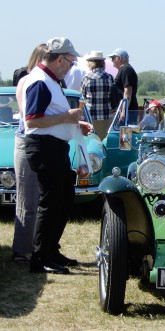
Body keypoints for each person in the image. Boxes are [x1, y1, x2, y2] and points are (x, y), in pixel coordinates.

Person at [23, 37, 92, 274]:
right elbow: (33, 120)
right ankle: (40, 257)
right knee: (50, 202)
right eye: (71, 62)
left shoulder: (50, 81)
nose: (72, 67)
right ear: (60, 59)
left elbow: (52, 116)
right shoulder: (40, 81)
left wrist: (75, 122)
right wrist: (67, 118)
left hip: (54, 146)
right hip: (44, 147)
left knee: (63, 199)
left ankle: (51, 250)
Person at [11, 43, 46, 263]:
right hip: (27, 141)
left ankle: (37, 245)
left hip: (41, 143)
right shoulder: (27, 81)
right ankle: (21, 250)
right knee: (27, 200)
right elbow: (28, 115)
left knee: (40, 198)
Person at [80, 51, 114, 139]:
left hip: (91, 115)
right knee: (104, 140)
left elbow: (82, 97)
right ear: (102, 63)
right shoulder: (109, 77)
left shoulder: (86, 78)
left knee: (92, 140)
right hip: (107, 115)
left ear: (92, 63)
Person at [107, 48, 139, 121]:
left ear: (119, 58)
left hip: (128, 110)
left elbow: (128, 90)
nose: (112, 60)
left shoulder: (126, 70)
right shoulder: (124, 69)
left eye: (113, 58)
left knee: (125, 131)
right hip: (125, 109)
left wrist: (124, 111)